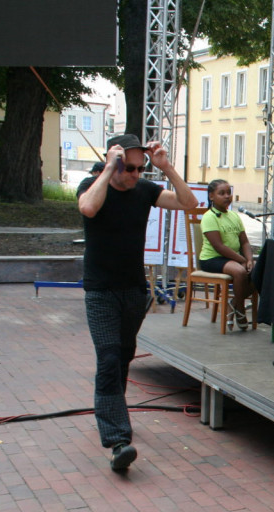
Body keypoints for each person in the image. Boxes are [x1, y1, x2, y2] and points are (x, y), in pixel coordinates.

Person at [77, 134, 197, 472]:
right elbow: (88, 208)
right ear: (112, 162)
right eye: (127, 168)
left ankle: (113, 410)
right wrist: (106, 171)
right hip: (100, 289)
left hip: (133, 288)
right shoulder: (92, 184)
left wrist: (167, 168)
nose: (133, 175)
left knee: (123, 355)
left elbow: (188, 203)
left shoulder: (144, 190)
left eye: (139, 169)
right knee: (109, 357)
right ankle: (118, 441)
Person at [199, 179, 255, 331]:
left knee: (258, 271)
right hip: (212, 259)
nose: (227, 197)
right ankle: (241, 310)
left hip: (233, 258)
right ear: (211, 196)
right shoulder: (209, 217)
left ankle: (233, 304)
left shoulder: (234, 216)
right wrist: (242, 260)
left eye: (229, 193)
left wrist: (249, 259)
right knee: (240, 272)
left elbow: (244, 242)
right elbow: (219, 247)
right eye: (221, 193)